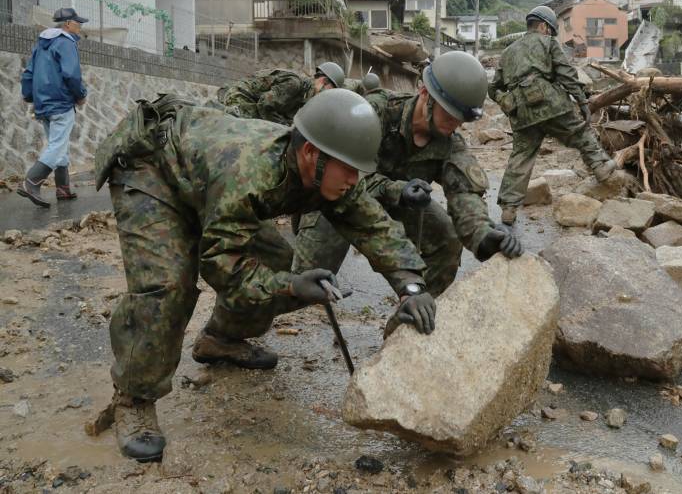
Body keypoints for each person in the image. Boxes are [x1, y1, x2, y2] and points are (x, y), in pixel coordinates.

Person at [94, 89, 430, 463]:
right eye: (349, 169)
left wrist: (410, 286)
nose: (354, 180)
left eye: (358, 170)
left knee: (275, 260)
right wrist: (290, 285)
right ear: (310, 155)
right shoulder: (252, 172)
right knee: (166, 285)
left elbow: (373, 226)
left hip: (207, 179)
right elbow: (222, 265)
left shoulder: (328, 168)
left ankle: (219, 339)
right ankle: (133, 397)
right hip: (152, 169)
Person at [295, 51, 523, 325]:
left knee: (446, 239)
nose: (455, 126)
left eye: (461, 120)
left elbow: (464, 193)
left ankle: (415, 318)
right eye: (450, 116)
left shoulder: (448, 141)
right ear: (425, 94)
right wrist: (397, 190)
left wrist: (485, 234)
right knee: (304, 286)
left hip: (400, 203)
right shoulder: (376, 112)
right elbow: (341, 175)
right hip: (341, 196)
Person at [489, 5, 619, 225]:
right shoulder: (548, 42)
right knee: (578, 131)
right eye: (550, 29)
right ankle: (600, 167)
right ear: (542, 26)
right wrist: (582, 101)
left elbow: (493, 89)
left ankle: (509, 209)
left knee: (521, 156)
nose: (550, 33)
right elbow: (566, 74)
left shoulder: (507, 52)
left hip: (521, 112)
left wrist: (506, 100)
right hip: (549, 102)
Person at [18, 8, 89, 207]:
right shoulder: (66, 42)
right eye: (78, 23)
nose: (80, 27)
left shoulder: (41, 45)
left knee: (58, 144)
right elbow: (71, 74)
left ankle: (63, 188)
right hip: (61, 102)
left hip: (43, 103)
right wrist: (81, 95)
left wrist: (29, 96)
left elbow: (28, 73)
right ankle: (31, 182)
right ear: (67, 24)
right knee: (57, 145)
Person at [217, 61, 345, 124]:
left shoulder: (306, 96)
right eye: (330, 91)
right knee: (251, 131)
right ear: (323, 81)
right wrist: (283, 125)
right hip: (242, 96)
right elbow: (264, 104)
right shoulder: (294, 84)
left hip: (255, 103)